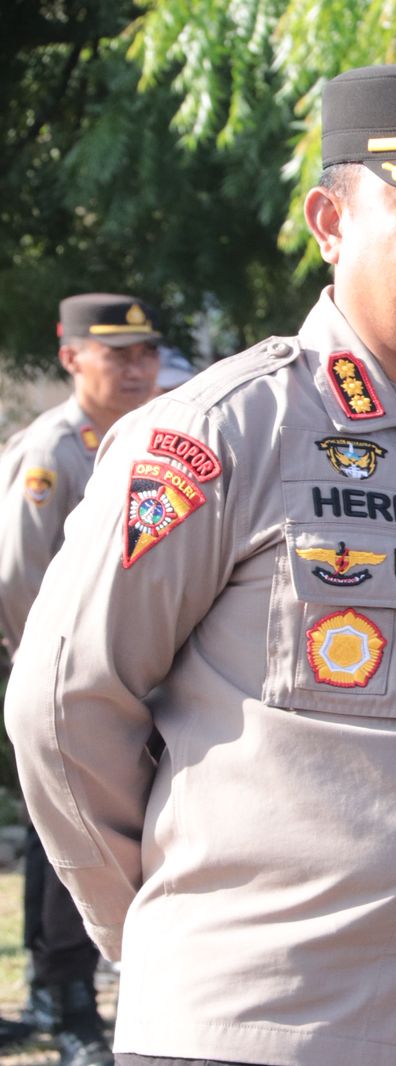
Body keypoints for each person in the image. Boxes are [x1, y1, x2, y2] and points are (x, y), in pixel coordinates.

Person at [4, 63, 396, 1064]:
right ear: (331, 222)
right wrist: (164, 932)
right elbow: (65, 704)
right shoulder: (222, 432)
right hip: (262, 1026)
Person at [0, 292, 162, 1066]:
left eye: (146, 353)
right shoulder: (55, 450)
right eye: (117, 355)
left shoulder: (152, 437)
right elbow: (19, 579)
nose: (137, 369)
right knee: (67, 836)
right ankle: (66, 1002)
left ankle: (55, 989)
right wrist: (59, 679)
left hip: (124, 678)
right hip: (65, 683)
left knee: (64, 840)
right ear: (71, 358)